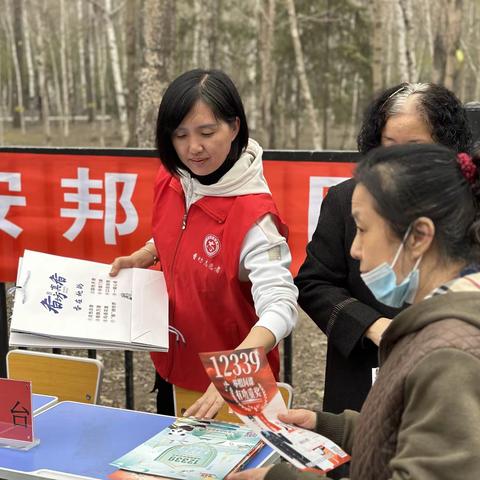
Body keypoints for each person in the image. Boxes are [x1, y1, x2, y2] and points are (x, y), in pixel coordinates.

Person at [229, 143, 480, 480]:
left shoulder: (449, 355)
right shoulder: (440, 322)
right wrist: (333, 428)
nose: (355, 249)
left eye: (362, 229)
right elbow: (417, 429)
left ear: (419, 235)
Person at [110, 69, 298, 418]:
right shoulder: (174, 178)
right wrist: (146, 254)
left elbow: (281, 305)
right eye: (180, 135)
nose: (193, 148)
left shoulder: (255, 217)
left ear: (235, 127)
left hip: (231, 387)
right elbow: (179, 229)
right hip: (174, 366)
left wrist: (233, 368)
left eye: (207, 132)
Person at [295, 82, 473, 414]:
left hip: (444, 378)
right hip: (361, 373)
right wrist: (370, 325)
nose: (397, 159)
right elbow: (314, 283)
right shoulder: (348, 200)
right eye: (388, 146)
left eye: (415, 146)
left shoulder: (464, 207)